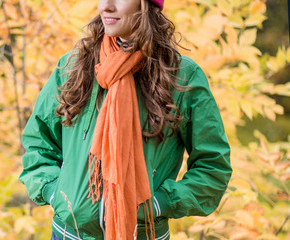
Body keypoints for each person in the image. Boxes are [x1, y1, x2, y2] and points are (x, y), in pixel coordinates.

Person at [19, 0, 232, 239]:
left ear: (147, 4)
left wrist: (161, 204)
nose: (106, 7)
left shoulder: (182, 77)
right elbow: (38, 143)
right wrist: (55, 192)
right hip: (69, 234)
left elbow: (213, 166)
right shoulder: (72, 67)